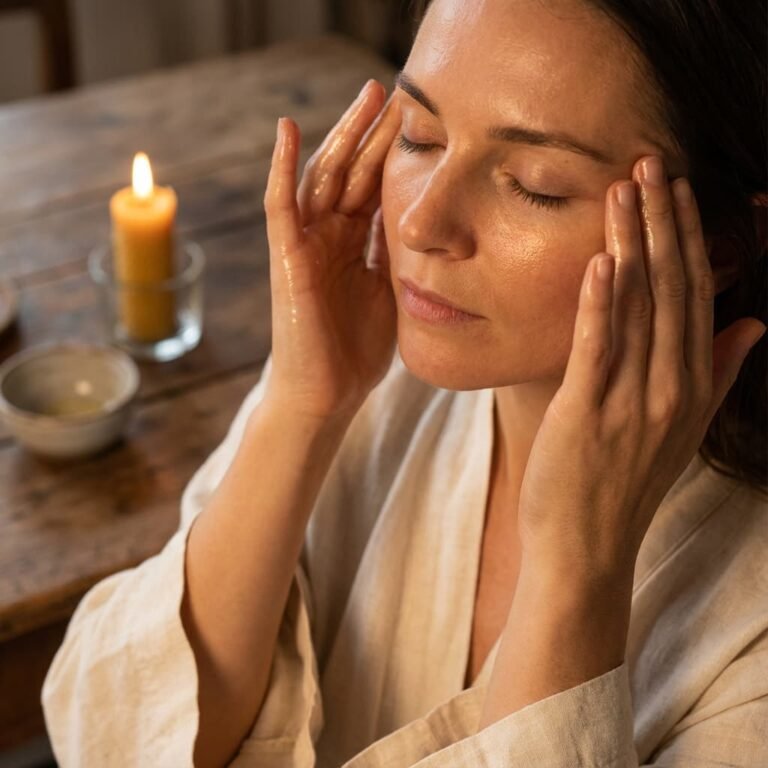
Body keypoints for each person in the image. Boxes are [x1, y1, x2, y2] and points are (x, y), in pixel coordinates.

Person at [41, 0, 768, 765]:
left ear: (719, 249)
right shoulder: (376, 385)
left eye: (535, 185)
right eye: (419, 136)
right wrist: (301, 405)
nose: (420, 223)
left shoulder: (746, 627)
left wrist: (574, 569)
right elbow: (112, 736)